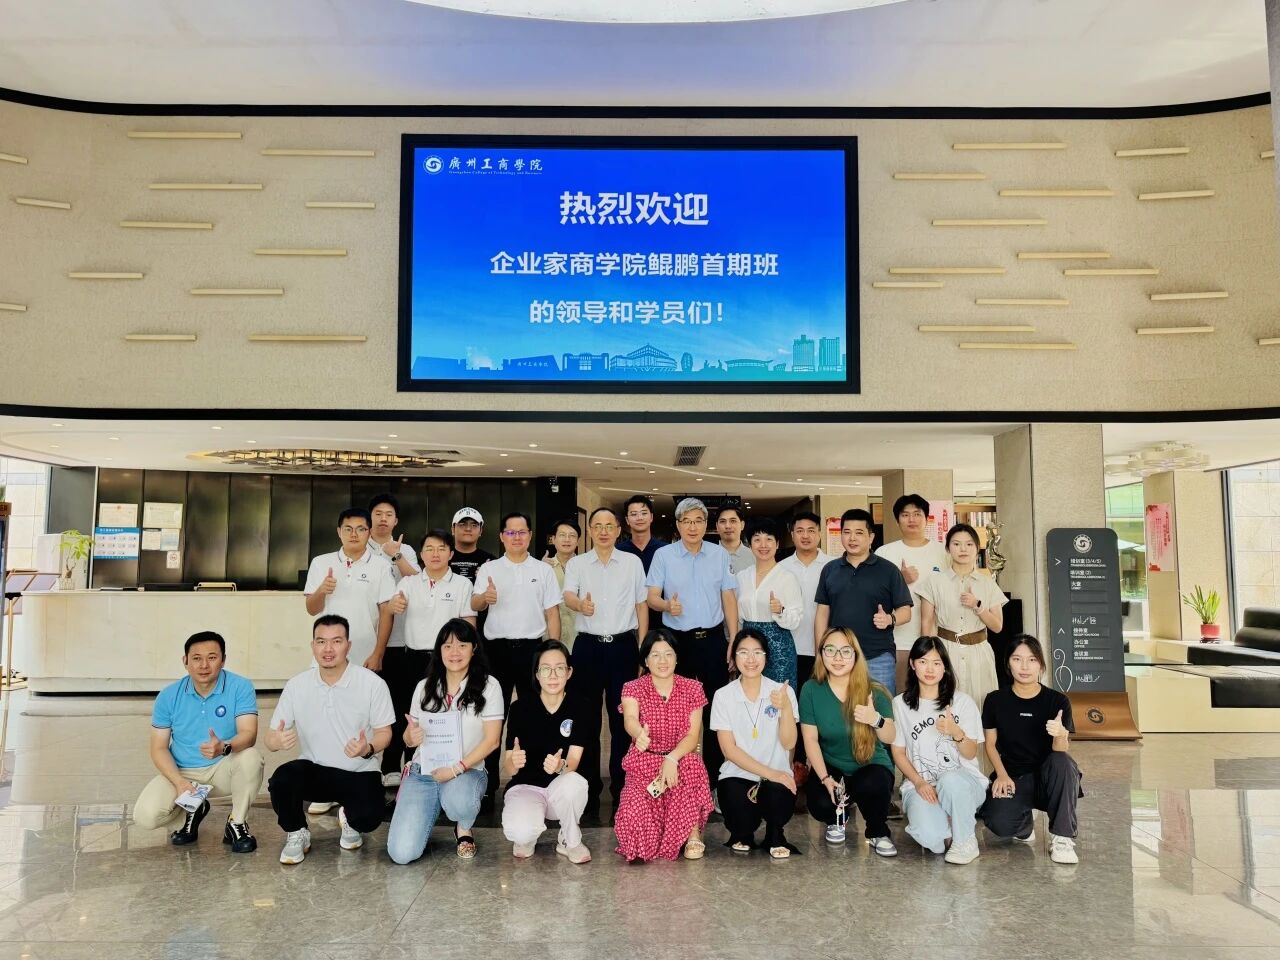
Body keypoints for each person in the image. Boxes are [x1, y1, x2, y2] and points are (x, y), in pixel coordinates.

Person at [265, 615, 395, 865]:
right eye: (321, 641)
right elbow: (270, 738)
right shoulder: (297, 685)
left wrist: (368, 748)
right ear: (312, 646)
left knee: (369, 817)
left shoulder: (372, 684)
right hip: (315, 769)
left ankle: (350, 819)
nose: (328, 649)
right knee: (282, 779)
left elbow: (385, 734)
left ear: (348, 645)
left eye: (336, 641)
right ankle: (297, 831)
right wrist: (276, 741)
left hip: (359, 770)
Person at [133, 631, 264, 853]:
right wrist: (178, 782)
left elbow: (249, 733)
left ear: (223, 660)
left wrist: (224, 747)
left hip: (223, 768)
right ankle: (192, 812)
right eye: (196, 658)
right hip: (182, 772)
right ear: (185, 661)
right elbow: (158, 748)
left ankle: (237, 823)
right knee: (145, 817)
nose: (204, 665)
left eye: (212, 657)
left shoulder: (240, 687)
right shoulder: (168, 696)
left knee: (251, 757)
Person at [387, 619, 502, 864]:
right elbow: (408, 737)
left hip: (466, 771)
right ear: (439, 651)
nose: (454, 652)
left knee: (460, 803)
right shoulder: (424, 687)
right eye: (447, 646)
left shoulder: (489, 686)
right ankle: (424, 814)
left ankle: (463, 827)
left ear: (474, 648)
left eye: (462, 645)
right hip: (424, 773)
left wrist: (455, 769)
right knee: (402, 854)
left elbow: (492, 741)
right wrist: (410, 736)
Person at [646, 497, 738, 783]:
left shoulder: (719, 555)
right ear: (678, 525)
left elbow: (728, 598)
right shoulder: (663, 556)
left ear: (706, 524)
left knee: (714, 709)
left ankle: (713, 779)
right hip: (678, 643)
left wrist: (734, 639)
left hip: (712, 640)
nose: (693, 527)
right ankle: (678, 776)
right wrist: (666, 606)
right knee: (678, 711)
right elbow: (651, 597)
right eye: (686, 521)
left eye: (698, 521)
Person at [563, 505, 649, 810]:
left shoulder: (632, 563)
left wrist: (643, 651)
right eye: (597, 526)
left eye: (608, 526)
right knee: (585, 718)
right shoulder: (578, 563)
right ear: (590, 531)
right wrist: (580, 606)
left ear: (618, 530)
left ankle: (623, 786)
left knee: (622, 718)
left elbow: (641, 606)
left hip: (623, 647)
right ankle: (586, 787)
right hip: (587, 647)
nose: (602, 531)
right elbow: (568, 595)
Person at [471, 511, 561, 804]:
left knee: (533, 716)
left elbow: (552, 613)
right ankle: (487, 784)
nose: (517, 537)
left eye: (522, 532)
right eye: (511, 532)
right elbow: (474, 603)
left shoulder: (543, 570)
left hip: (532, 650)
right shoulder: (489, 568)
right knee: (492, 716)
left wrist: (554, 651)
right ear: (502, 536)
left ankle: (531, 778)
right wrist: (485, 598)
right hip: (496, 651)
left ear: (530, 535)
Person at [979, 635, 1084, 865]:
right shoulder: (995, 700)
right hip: (1013, 777)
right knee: (998, 823)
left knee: (1063, 762)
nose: (1024, 667)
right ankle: (1024, 823)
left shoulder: (1058, 701)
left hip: (1049, 778)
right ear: (1008, 663)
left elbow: (1060, 749)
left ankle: (1062, 838)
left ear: (1041, 665)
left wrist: (1060, 733)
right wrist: (1002, 775)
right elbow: (990, 743)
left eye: (1032, 660)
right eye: (1017, 659)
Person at [614, 630, 714, 862]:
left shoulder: (693, 689)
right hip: (644, 762)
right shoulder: (632, 687)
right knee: (634, 822)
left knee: (692, 763)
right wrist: (639, 734)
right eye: (655, 655)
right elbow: (630, 718)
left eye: (668, 654)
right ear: (646, 660)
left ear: (677, 658)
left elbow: (692, 736)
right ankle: (661, 834)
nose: (663, 660)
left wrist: (672, 758)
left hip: (679, 758)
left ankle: (692, 833)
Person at [799, 627, 898, 857]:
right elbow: (810, 739)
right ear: (821, 654)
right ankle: (837, 818)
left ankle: (878, 831)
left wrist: (875, 719)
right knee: (819, 801)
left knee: (870, 784)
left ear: (856, 655)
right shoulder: (811, 689)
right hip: (833, 765)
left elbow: (890, 736)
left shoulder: (874, 690)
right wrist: (824, 778)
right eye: (830, 650)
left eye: (845, 651)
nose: (838, 658)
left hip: (870, 765)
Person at [386, 529, 476, 782]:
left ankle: (446, 768)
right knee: (409, 715)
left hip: (447, 662)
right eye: (429, 549)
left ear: (451, 553)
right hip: (412, 658)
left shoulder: (462, 585)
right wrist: (394, 605)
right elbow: (393, 605)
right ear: (421, 554)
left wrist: (467, 657)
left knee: (445, 714)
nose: (435, 554)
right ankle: (406, 770)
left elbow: (469, 625)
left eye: (441, 549)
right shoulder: (409, 583)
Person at [891, 636, 987, 864]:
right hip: (921, 786)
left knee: (950, 780)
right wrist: (919, 782)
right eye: (923, 662)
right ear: (912, 664)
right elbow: (898, 753)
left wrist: (956, 731)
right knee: (932, 839)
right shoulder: (900, 704)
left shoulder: (962, 702)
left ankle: (965, 841)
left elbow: (971, 753)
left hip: (963, 783)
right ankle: (952, 826)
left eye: (936, 663)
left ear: (945, 667)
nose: (930, 669)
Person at [711, 628, 800, 859]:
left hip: (776, 776)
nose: (750, 659)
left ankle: (775, 833)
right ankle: (743, 834)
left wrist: (785, 708)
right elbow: (728, 750)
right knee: (740, 820)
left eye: (757, 652)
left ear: (766, 657)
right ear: (734, 657)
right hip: (738, 774)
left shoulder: (783, 692)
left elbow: (789, 742)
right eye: (743, 652)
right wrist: (770, 773)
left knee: (778, 792)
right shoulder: (723, 695)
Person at [502, 640, 592, 863]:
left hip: (558, 791)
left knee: (575, 783)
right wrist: (514, 761)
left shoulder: (580, 706)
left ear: (569, 672)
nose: (553, 675)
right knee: (521, 833)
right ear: (537, 674)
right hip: (526, 787)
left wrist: (560, 766)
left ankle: (570, 839)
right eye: (545, 669)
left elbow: (573, 760)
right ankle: (528, 834)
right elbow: (509, 768)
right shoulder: (519, 708)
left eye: (559, 668)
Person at [814, 508, 912, 694]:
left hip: (877, 657)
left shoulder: (888, 570)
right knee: (840, 707)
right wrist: (820, 651)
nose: (852, 538)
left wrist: (890, 619)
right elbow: (822, 614)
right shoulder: (830, 570)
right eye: (847, 532)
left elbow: (906, 611)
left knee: (880, 707)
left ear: (871, 537)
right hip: (838, 656)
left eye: (859, 533)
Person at [917, 523, 1007, 710]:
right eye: (956, 544)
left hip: (979, 653)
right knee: (944, 704)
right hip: (946, 651)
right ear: (948, 549)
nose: (963, 549)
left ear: (977, 548)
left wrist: (978, 606)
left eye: (969, 544)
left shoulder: (988, 584)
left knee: (981, 704)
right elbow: (926, 622)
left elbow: (997, 626)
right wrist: (929, 657)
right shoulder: (934, 582)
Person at [367, 493, 422, 786]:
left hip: (400, 642)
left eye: (389, 514)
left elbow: (418, 581)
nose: (383, 518)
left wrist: (395, 555)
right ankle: (364, 763)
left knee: (400, 704)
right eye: (378, 513)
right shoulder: (360, 548)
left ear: (396, 520)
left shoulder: (406, 549)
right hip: (366, 640)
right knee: (370, 707)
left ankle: (393, 765)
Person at [303, 508, 396, 670]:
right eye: (348, 529)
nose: (354, 534)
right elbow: (311, 609)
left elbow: (386, 613)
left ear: (369, 532)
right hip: (327, 653)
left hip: (366, 655)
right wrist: (322, 591)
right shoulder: (320, 563)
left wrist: (378, 654)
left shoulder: (382, 566)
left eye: (360, 529)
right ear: (339, 532)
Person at [734, 518, 804, 688]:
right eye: (757, 539)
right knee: (750, 692)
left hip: (778, 647)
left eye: (769, 539)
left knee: (779, 694)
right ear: (750, 544)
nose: (763, 545)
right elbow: (736, 618)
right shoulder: (742, 577)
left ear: (777, 544)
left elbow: (796, 619)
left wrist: (780, 610)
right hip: (748, 646)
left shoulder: (787, 577)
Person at [874, 494, 949, 652]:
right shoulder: (884, 553)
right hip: (895, 640)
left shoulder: (944, 552)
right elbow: (873, 594)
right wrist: (900, 580)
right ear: (897, 521)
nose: (911, 519)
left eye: (917, 514)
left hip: (936, 640)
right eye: (905, 515)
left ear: (927, 518)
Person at [778, 512, 833, 693]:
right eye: (800, 531)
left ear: (820, 534)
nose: (805, 535)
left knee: (821, 698)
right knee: (791, 698)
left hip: (827, 647)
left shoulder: (833, 566)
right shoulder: (781, 568)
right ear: (792, 534)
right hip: (790, 647)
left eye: (811, 530)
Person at [543, 518, 581, 651]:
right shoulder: (543, 568)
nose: (567, 539)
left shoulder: (585, 567)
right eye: (562, 535)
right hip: (551, 639)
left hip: (580, 639)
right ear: (553, 539)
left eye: (572, 536)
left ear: (578, 541)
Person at [617, 494, 668, 574]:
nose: (639, 518)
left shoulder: (665, 550)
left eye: (644, 513)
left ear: (651, 517)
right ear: (627, 520)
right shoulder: (618, 551)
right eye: (634, 514)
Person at [449, 506, 496, 585]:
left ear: (480, 531)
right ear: (453, 529)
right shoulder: (441, 558)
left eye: (474, 525)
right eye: (462, 524)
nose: (468, 529)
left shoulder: (491, 562)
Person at [715, 505, 754, 576]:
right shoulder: (708, 557)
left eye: (733, 521)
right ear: (717, 526)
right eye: (723, 521)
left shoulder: (754, 556)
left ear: (742, 525)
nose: (728, 526)